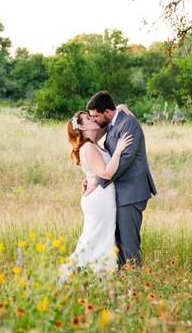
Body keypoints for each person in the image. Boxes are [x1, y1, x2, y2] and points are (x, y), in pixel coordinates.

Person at [59, 110, 133, 282]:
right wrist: (119, 150)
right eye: (87, 118)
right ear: (82, 126)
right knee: (95, 236)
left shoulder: (93, 141)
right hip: (99, 199)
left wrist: (120, 107)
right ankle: (74, 275)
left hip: (102, 196)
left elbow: (107, 122)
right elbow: (106, 173)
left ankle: (97, 275)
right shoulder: (88, 147)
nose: (92, 119)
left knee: (102, 235)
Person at [86, 90, 157, 269]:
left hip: (131, 193)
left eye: (95, 116)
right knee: (118, 242)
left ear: (107, 113)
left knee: (129, 243)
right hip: (120, 192)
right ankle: (123, 280)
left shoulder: (129, 124)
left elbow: (124, 160)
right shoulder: (112, 121)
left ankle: (135, 283)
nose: (93, 119)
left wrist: (99, 181)